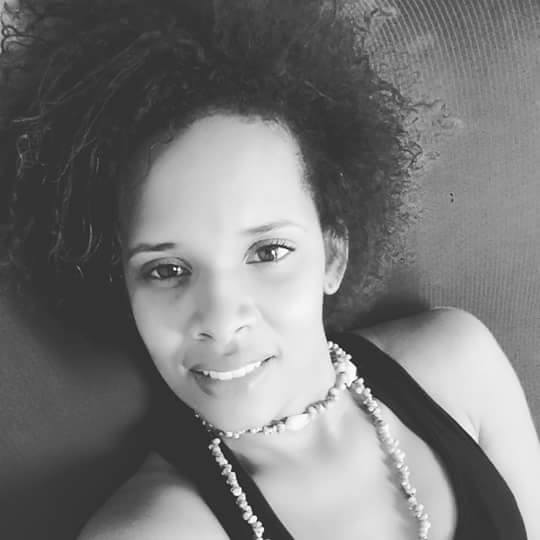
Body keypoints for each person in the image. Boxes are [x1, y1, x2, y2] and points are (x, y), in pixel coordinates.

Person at [1, 1, 539, 539]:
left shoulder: (460, 367)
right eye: (166, 270)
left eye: (268, 252)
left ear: (333, 255)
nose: (221, 320)